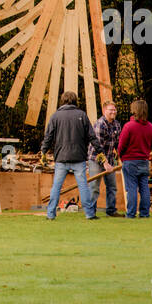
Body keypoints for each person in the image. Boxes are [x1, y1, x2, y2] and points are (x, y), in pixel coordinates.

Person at [40, 91, 105, 220]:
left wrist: (43, 152)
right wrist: (100, 152)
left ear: (62, 100)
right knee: (83, 187)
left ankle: (50, 214)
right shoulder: (82, 115)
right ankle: (89, 214)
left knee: (56, 187)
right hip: (79, 157)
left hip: (61, 158)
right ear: (75, 100)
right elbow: (92, 137)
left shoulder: (55, 116)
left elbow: (48, 137)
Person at [118, 99, 152, 218]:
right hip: (144, 160)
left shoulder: (129, 126)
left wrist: (121, 155)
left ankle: (131, 213)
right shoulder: (150, 127)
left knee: (132, 188)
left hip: (130, 161)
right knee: (144, 188)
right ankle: (145, 213)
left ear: (135, 110)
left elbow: (121, 145)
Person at [88, 100, 122, 215]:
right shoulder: (100, 124)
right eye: (110, 110)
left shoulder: (117, 124)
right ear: (104, 111)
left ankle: (111, 211)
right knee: (94, 187)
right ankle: (91, 212)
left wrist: (119, 157)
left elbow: (117, 144)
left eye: (114, 109)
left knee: (112, 187)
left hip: (110, 158)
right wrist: (105, 163)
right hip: (96, 159)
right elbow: (99, 148)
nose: (113, 112)